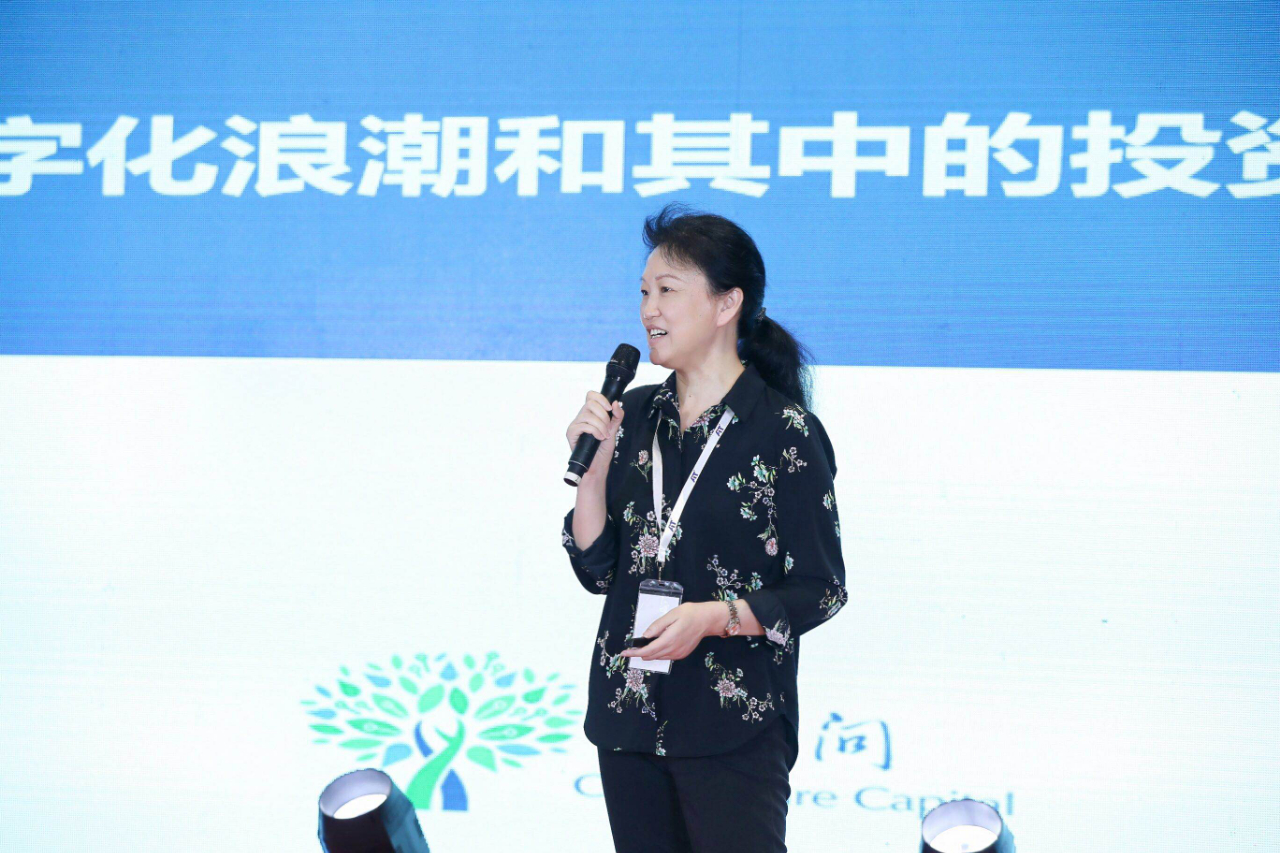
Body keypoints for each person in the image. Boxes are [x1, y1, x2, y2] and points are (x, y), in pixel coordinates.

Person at [561, 203, 848, 853]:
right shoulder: (632, 414)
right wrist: (593, 477)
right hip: (628, 714)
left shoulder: (784, 432)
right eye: (643, 293)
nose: (648, 311)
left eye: (667, 291)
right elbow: (597, 570)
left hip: (732, 722)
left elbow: (821, 589)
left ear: (726, 304)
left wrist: (715, 618)